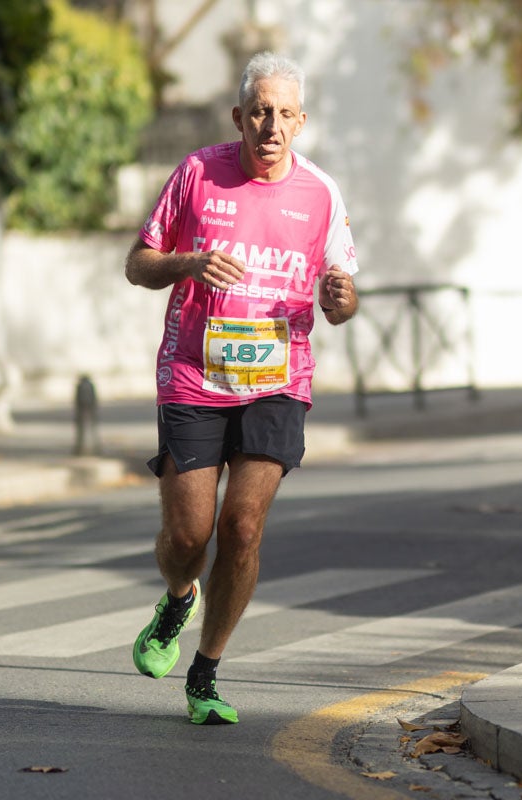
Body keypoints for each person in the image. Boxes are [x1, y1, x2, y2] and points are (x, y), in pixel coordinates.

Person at [124, 52, 359, 725]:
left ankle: (206, 672)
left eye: (285, 114)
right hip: (194, 376)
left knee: (244, 525)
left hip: (276, 383)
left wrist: (343, 299)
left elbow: (341, 302)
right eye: (260, 111)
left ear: (301, 122)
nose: (271, 125)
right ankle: (177, 596)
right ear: (239, 117)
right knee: (190, 532)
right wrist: (188, 262)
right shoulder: (197, 173)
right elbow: (138, 265)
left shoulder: (321, 193)